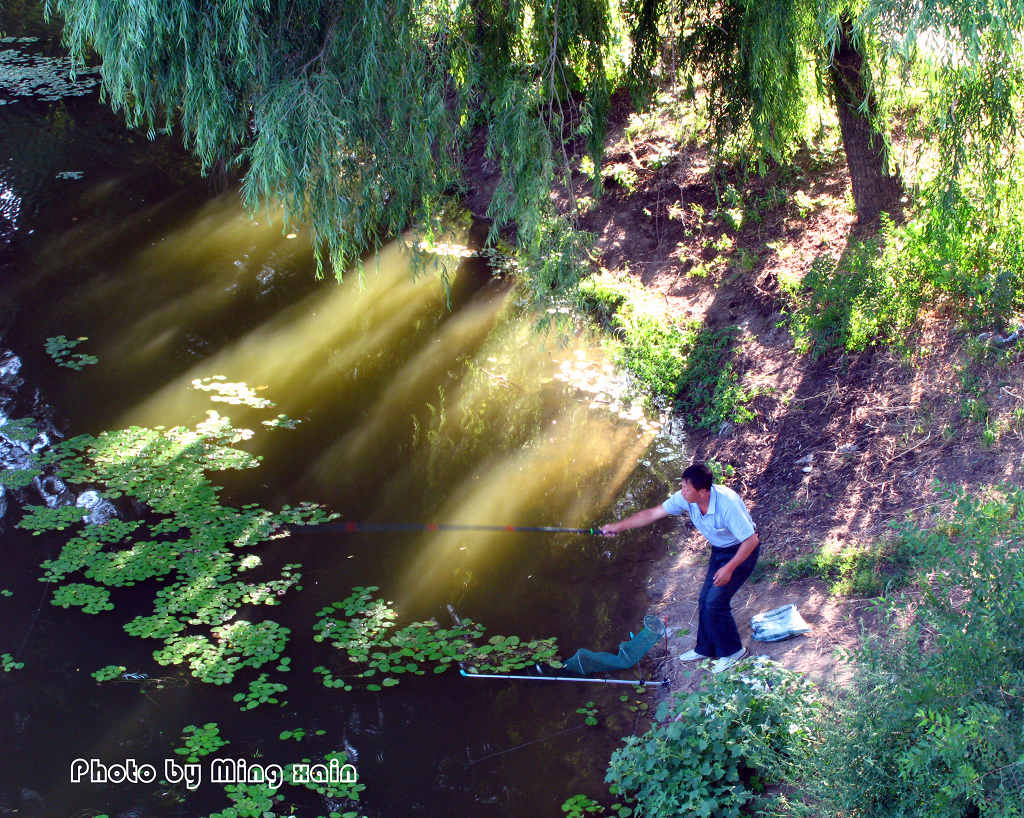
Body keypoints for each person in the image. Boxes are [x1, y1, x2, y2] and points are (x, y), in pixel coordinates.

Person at [600, 462, 759, 673]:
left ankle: (732, 652)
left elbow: (751, 540)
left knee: (715, 603)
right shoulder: (686, 498)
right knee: (704, 600)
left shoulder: (726, 504)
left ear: (703, 491)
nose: (682, 491)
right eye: (682, 486)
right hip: (720, 551)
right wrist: (617, 527)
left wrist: (729, 568)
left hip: (742, 552)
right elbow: (652, 514)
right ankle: (705, 648)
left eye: (686, 487)